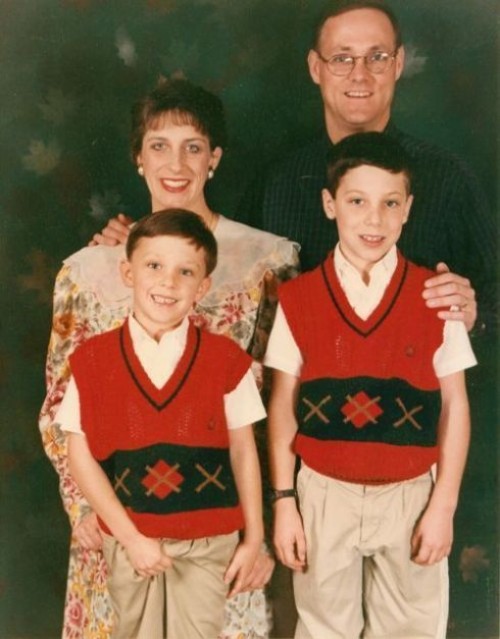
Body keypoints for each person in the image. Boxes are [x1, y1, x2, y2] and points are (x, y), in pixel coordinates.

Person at [39, 78, 299, 639]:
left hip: (221, 528)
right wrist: (85, 510)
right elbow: (60, 407)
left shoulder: (267, 262)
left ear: (214, 158)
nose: (176, 164)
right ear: (138, 158)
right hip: (118, 523)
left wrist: (266, 523)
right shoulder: (90, 270)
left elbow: (282, 403)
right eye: (159, 145)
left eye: (193, 147)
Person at [265, 131, 477, 638]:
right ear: (330, 204)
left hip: (410, 493)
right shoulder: (299, 298)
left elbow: (455, 406)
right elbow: (283, 406)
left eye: (390, 203)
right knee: (323, 628)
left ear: (408, 209)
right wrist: (285, 500)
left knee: (411, 629)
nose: (374, 220)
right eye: (357, 201)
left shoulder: (434, 296)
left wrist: (443, 505)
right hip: (323, 492)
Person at [58, 209, 265, 639]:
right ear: (128, 272)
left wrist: (253, 538)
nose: (168, 282)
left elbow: (244, 451)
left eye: (185, 271)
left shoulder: (226, 361)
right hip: (131, 538)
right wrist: (131, 538)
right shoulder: (92, 361)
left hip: (209, 540)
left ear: (202, 286)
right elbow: (80, 457)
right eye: (154, 265)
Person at [237, 0, 495, 333]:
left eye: (377, 57)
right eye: (341, 59)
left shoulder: (448, 178)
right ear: (315, 68)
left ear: (398, 64)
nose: (360, 75)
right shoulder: (274, 183)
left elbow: (494, 293)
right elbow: (236, 305)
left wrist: (476, 313)